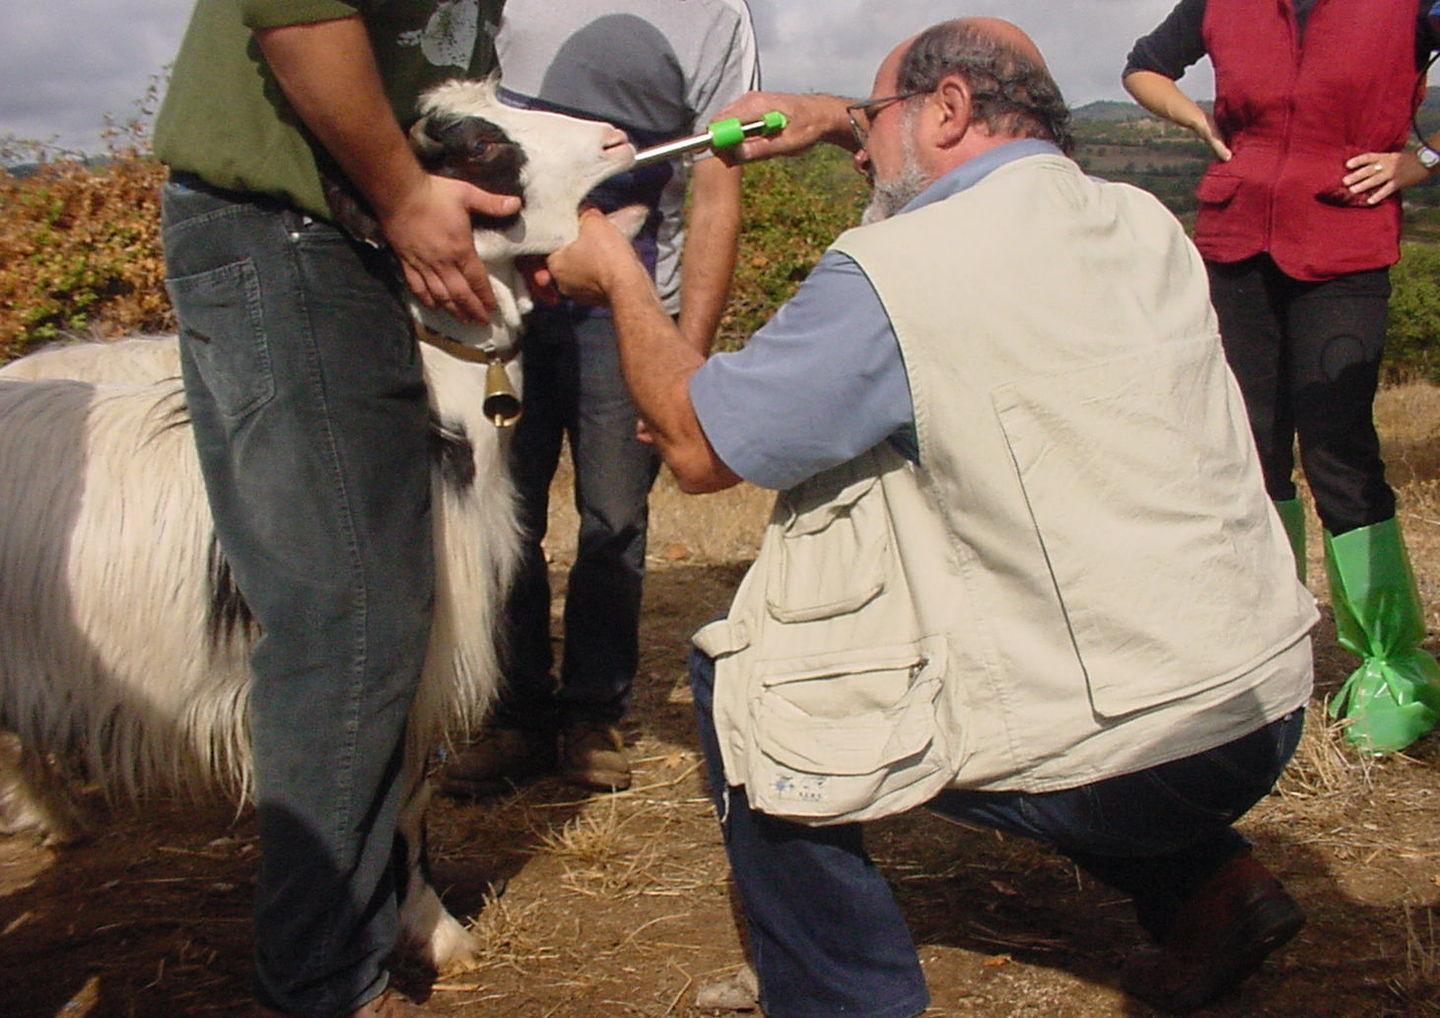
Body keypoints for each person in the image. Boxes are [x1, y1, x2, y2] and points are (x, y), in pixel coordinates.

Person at [546, 17, 1320, 1016]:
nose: (861, 143)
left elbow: (698, 450)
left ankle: (842, 995)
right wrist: (842, 121)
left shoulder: (899, 273)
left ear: (948, 108)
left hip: (1139, 747)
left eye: (875, 120)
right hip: (1262, 702)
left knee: (740, 672)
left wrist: (614, 271)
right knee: (1090, 629)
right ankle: (1214, 888)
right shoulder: (1138, 220)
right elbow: (927, 208)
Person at [151, 2, 516, 1014]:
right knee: (346, 616)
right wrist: (401, 195)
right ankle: (317, 985)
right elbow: (301, 17)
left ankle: (371, 919)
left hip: (338, 234)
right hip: (285, 228)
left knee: (380, 612)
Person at [441, 0, 759, 795]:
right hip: (503, 292)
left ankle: (593, 715)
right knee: (502, 509)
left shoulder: (717, 16)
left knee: (615, 516)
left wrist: (684, 353)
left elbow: (716, 192)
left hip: (628, 306)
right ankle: (512, 714)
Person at [1124, 0, 1440, 754]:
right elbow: (1142, 66)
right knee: (1248, 447)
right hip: (1236, 245)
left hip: (1347, 244)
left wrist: (1421, 160)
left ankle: (1390, 668)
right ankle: (1261, 652)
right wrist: (1196, 122)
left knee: (1338, 449)